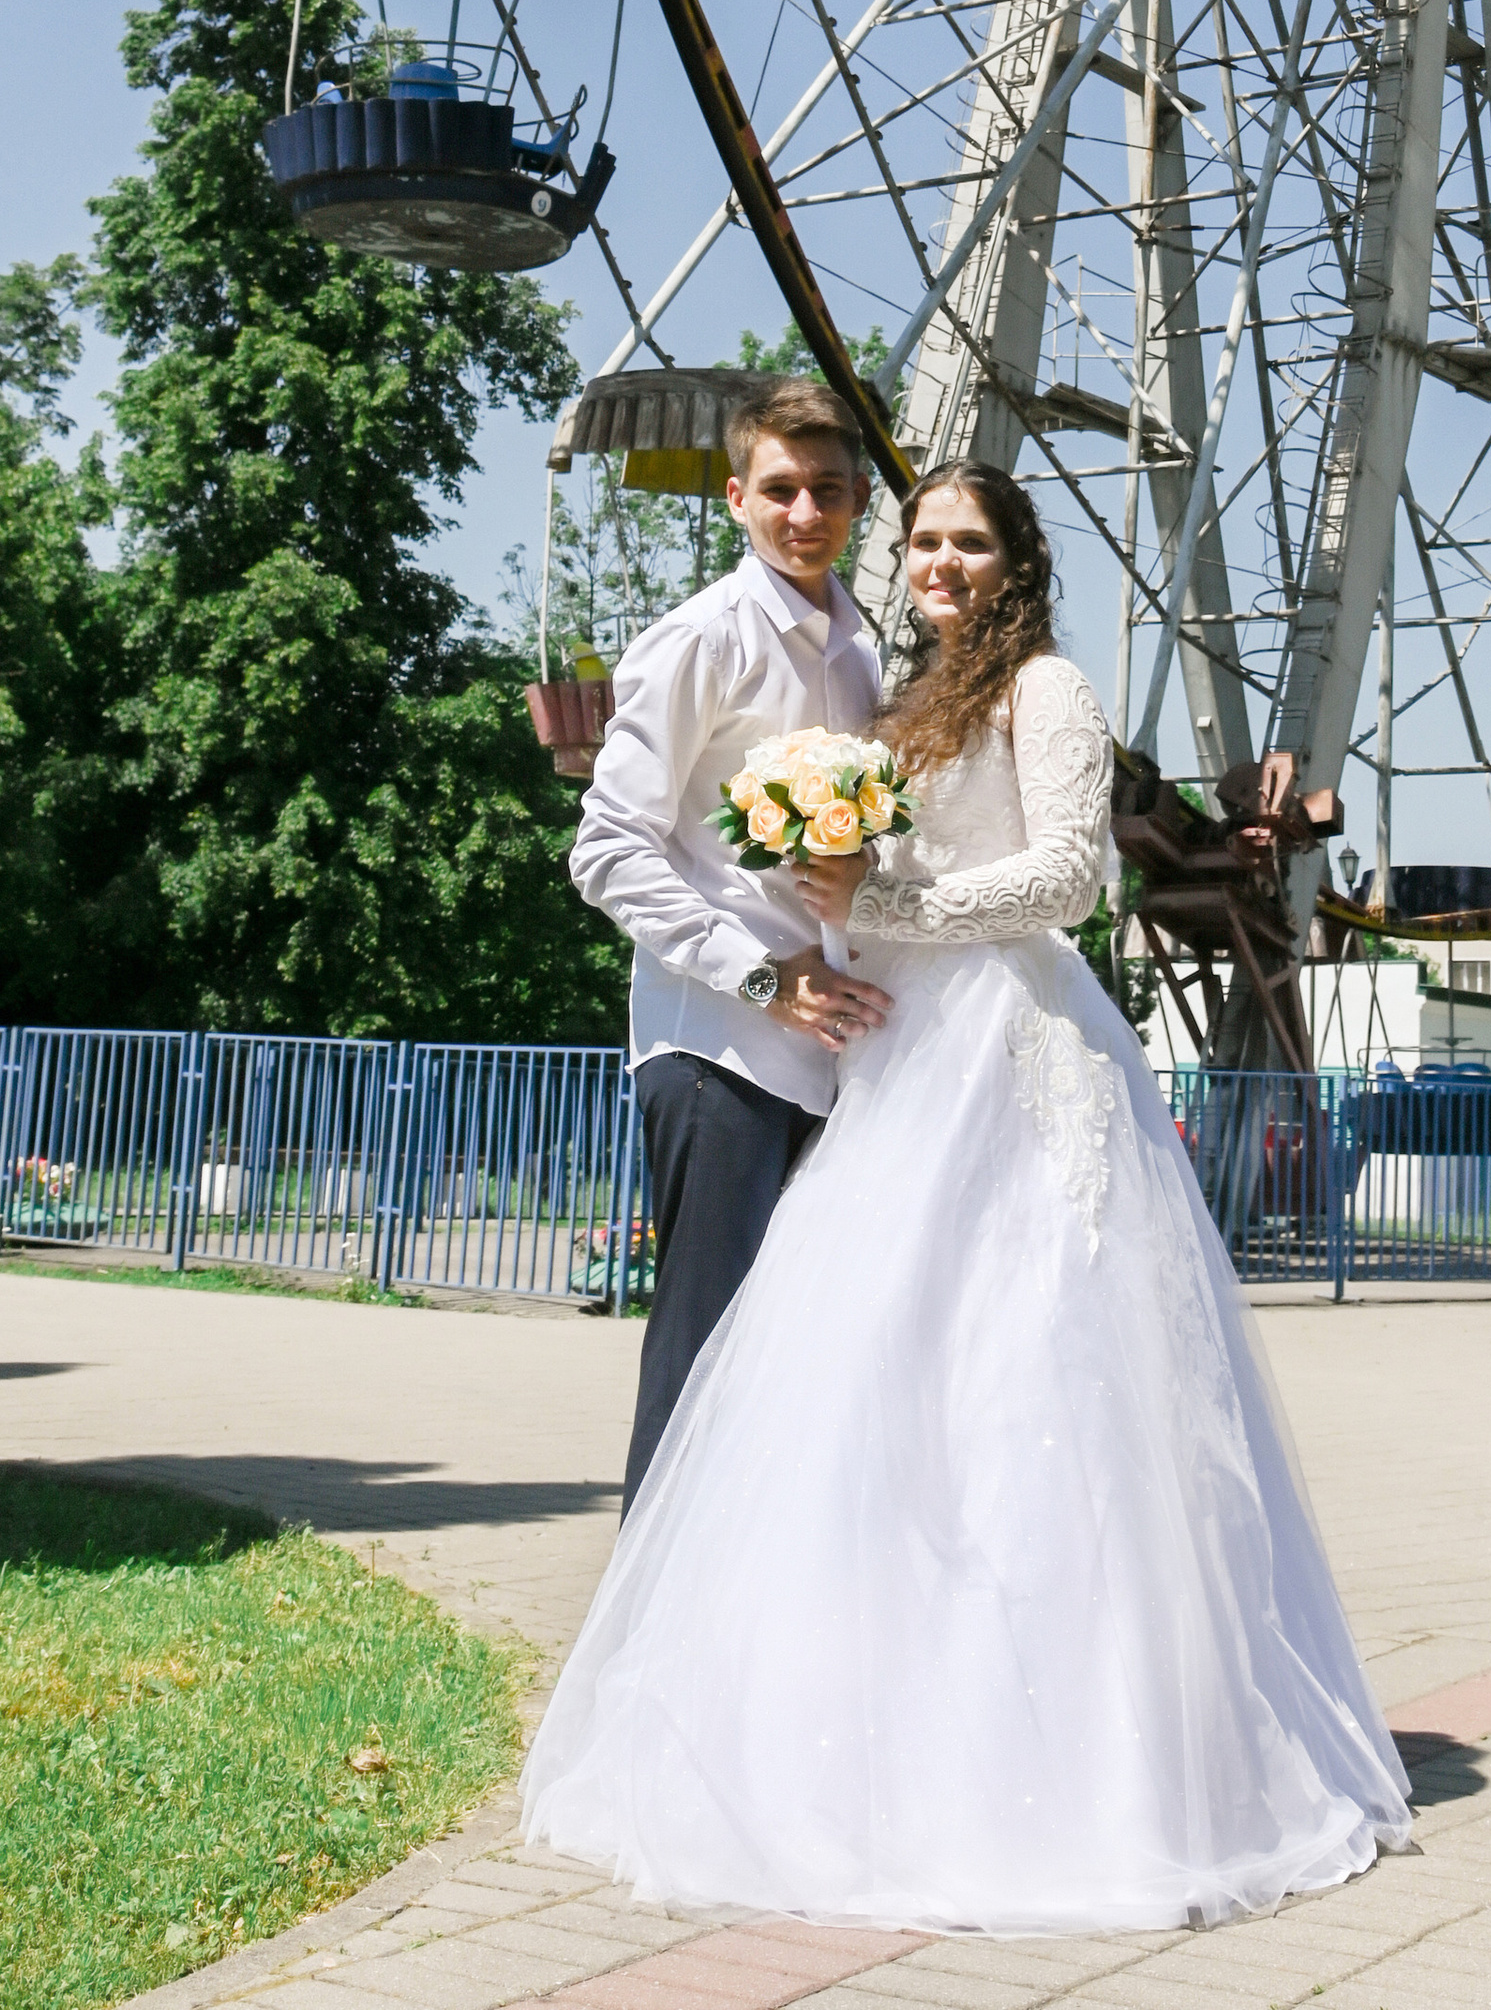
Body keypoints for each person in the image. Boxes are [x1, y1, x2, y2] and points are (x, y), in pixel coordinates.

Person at [525, 460, 1412, 1935]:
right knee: (882, 1374)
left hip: (1014, 1040)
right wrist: (826, 877)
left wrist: (876, 907)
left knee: (1028, 1365)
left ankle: (1092, 1755)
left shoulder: (1044, 690)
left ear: (1015, 558)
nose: (938, 561)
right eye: (925, 539)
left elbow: (1069, 880)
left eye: (967, 541)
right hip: (905, 1051)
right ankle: (855, 1712)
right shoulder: (899, 697)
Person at [568, 378, 893, 1511]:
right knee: (701, 1349)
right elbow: (606, 849)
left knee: (790, 1355)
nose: (805, 513)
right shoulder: (701, 639)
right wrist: (757, 973)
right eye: (781, 491)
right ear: (735, 497)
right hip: (721, 1050)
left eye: (828, 491)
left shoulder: (862, 656)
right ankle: (642, 1634)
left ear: (858, 501)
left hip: (836, 1054)